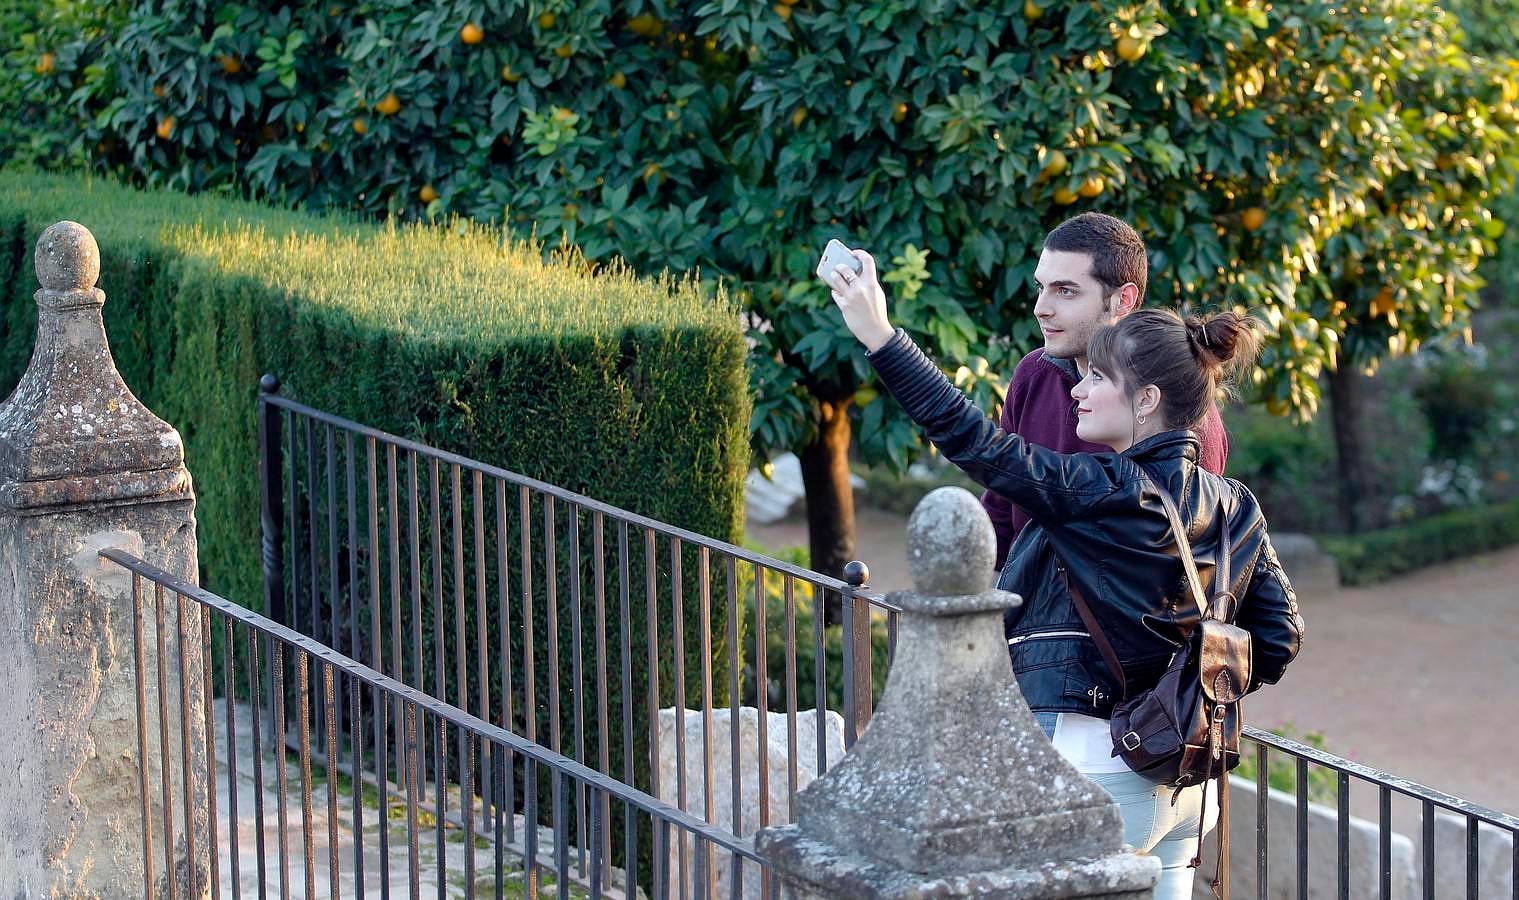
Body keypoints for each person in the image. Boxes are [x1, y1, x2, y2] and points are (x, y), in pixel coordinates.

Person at [822, 250, 1304, 899]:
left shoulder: (1104, 491)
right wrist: (1180, 688)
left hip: (1092, 775)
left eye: (1097, 377)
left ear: (1147, 399)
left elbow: (977, 444)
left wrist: (880, 336)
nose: (1077, 388)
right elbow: (1277, 640)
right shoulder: (1233, 504)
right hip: (1190, 783)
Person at [982, 213, 1230, 568]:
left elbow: (1191, 563)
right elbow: (1001, 521)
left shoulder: (1184, 408)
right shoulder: (1033, 373)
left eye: (1065, 291)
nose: (1041, 309)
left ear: (1123, 300)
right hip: (1029, 619)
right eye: (1041, 287)